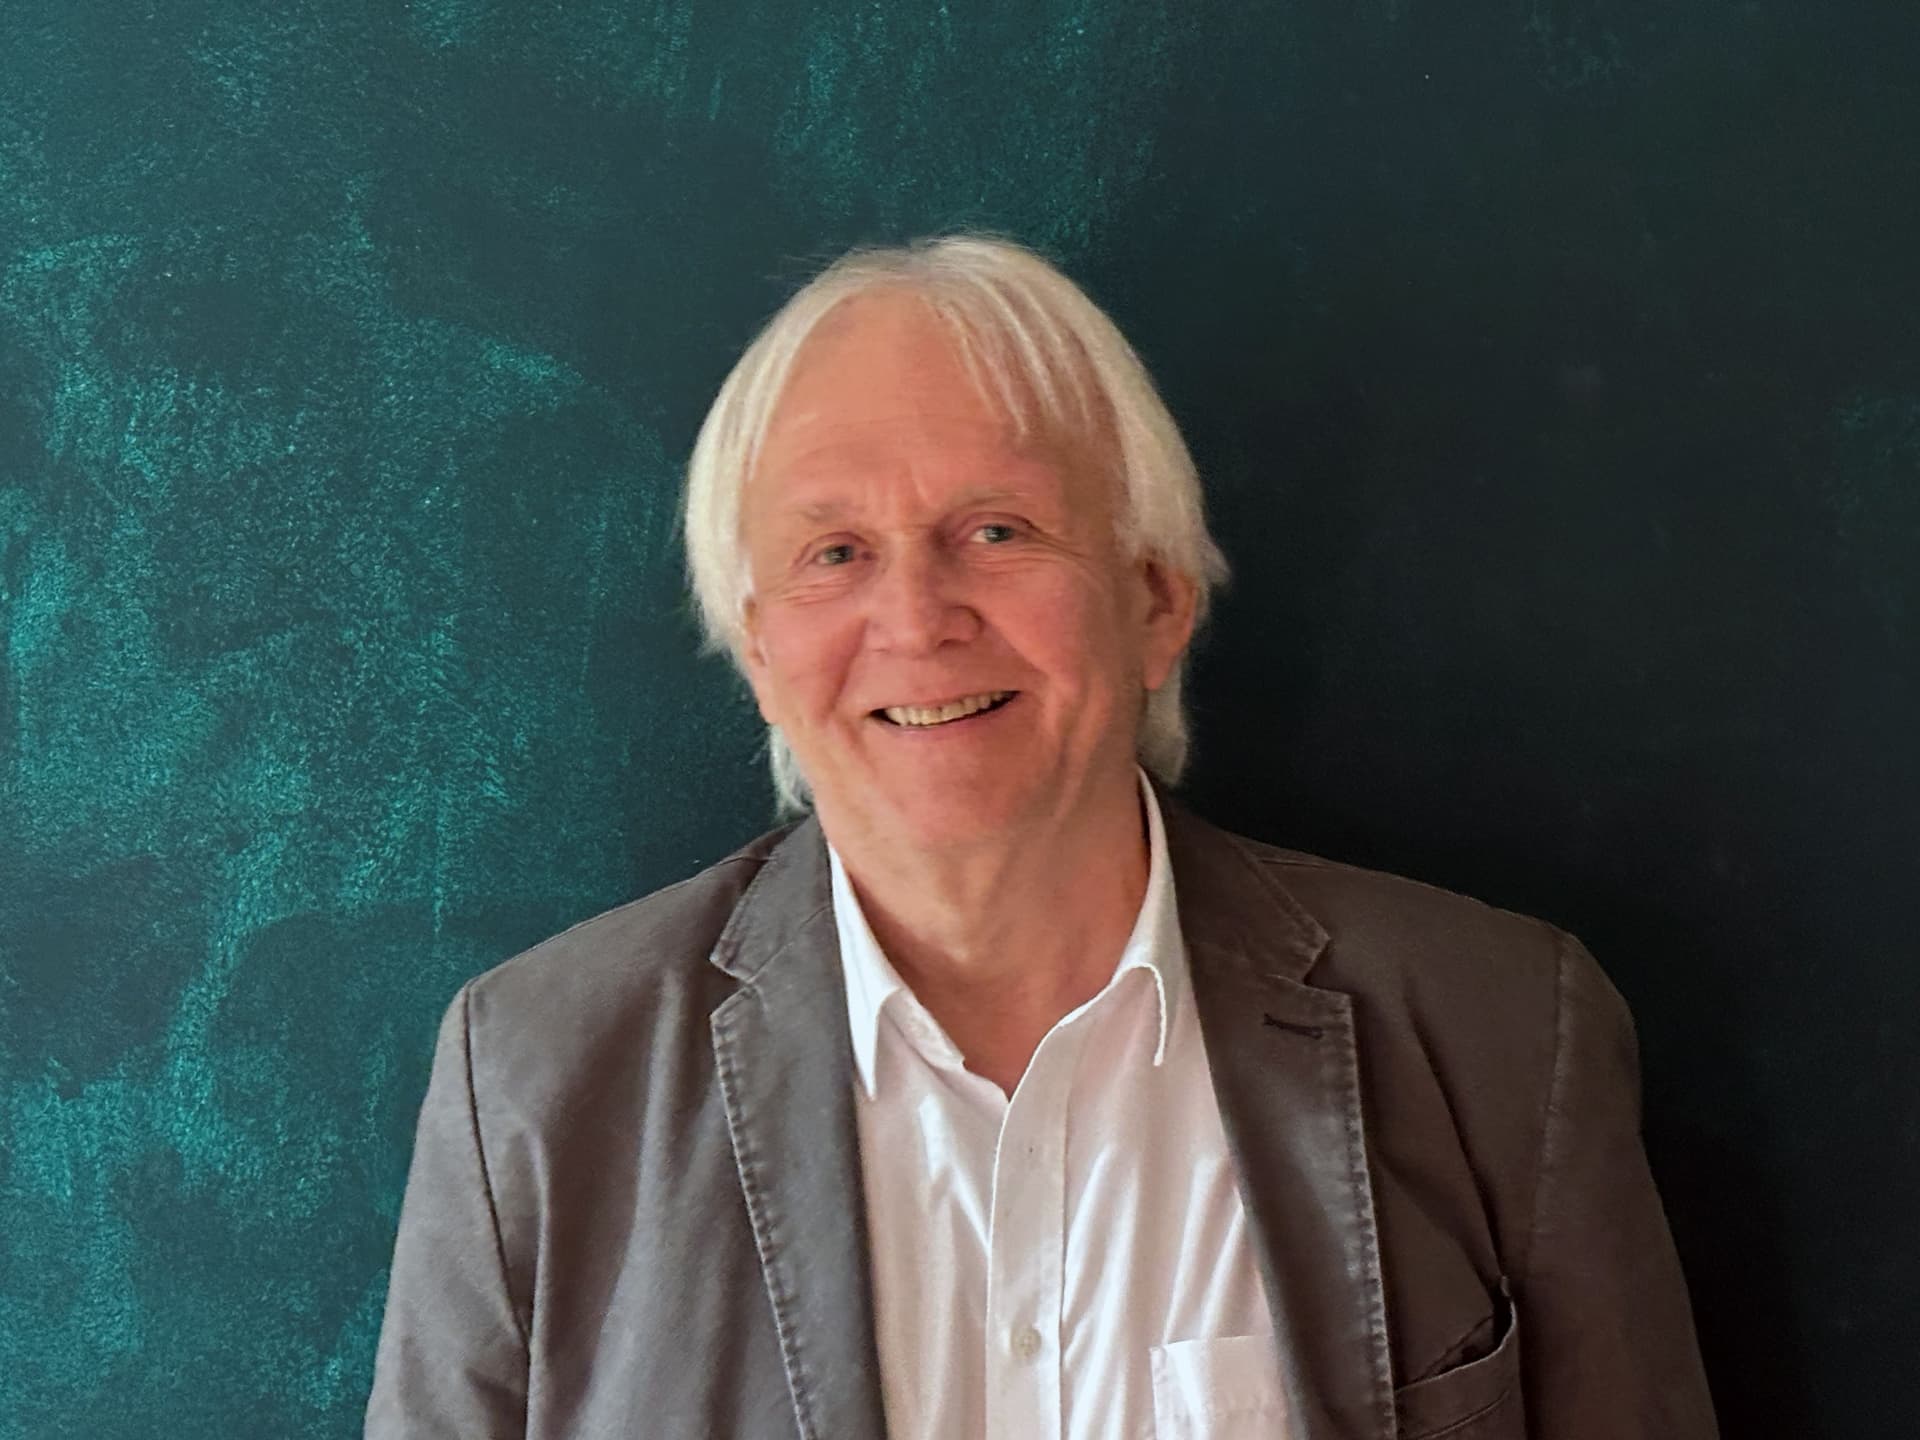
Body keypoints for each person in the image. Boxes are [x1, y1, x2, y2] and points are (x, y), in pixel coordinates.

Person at [364, 236, 1718, 1440]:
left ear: (1156, 601)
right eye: (835, 552)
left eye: (996, 529)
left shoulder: (1499, 1037)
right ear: (760, 648)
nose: (917, 617)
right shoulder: (534, 1083)